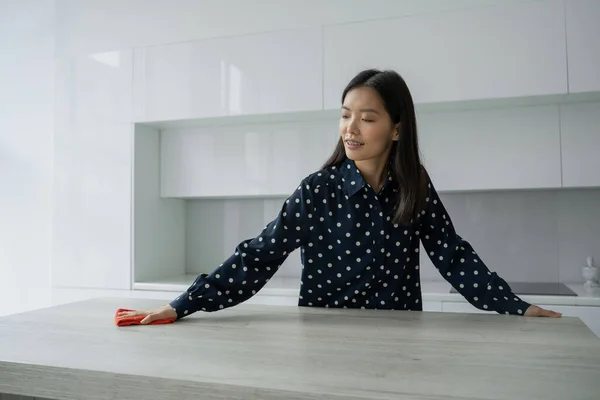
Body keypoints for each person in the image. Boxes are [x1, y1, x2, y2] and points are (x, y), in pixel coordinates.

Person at [119, 69, 562, 324]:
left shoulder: (414, 185)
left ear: (396, 128)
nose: (351, 128)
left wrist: (515, 307)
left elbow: (454, 257)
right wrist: (181, 306)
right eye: (346, 115)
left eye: (367, 118)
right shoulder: (317, 190)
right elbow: (258, 257)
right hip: (323, 339)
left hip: (399, 341)